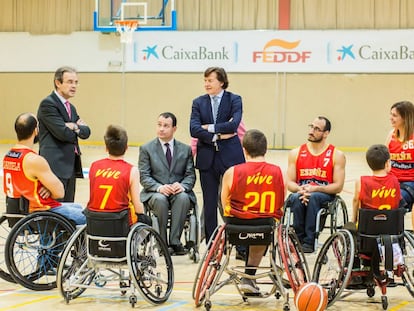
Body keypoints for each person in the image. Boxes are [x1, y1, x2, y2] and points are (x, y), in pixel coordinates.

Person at [221, 129, 285, 294]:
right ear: (265, 149)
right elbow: (280, 202)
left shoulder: (232, 172)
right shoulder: (277, 172)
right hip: (264, 226)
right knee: (264, 226)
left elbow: (224, 203)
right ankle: (249, 277)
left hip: (236, 225)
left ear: (244, 150)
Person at [190, 67, 245, 244]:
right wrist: (218, 134)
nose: (206, 84)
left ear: (221, 82)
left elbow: (234, 124)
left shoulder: (234, 99)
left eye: (210, 80)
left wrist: (209, 127)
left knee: (235, 200)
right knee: (209, 201)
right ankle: (212, 243)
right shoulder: (198, 102)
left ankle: (238, 240)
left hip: (231, 156)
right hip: (207, 157)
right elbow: (194, 129)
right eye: (205, 80)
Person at [2, 113, 85, 225]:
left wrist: (45, 187)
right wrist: (50, 189)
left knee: (77, 206)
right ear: (36, 131)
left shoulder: (8, 156)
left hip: (17, 211)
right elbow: (60, 193)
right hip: (41, 211)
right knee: (88, 218)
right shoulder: (33, 159)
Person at [139, 112, 196, 255]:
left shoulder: (185, 149)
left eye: (166, 126)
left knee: (183, 198)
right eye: (159, 125)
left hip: (177, 192)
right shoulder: (146, 149)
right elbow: (144, 176)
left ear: (174, 129)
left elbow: (190, 175)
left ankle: (175, 242)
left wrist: (182, 186)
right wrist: (159, 187)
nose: (161, 129)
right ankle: (162, 242)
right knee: (160, 200)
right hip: (155, 193)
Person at [286, 116, 346, 253]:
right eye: (311, 127)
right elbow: (289, 183)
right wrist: (299, 189)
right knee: (295, 198)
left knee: (313, 197)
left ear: (326, 133)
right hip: (301, 192)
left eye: (317, 129)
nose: (311, 131)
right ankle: (298, 238)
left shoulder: (336, 155)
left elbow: (338, 186)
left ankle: (309, 241)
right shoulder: (295, 153)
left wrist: (316, 188)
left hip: (323, 193)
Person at [37, 66, 91, 202]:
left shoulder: (71, 107)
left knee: (68, 210)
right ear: (58, 83)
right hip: (54, 167)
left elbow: (86, 132)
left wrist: (73, 127)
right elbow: (64, 134)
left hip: (70, 167)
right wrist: (75, 127)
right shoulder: (48, 104)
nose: (74, 86)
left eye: (76, 82)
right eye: (70, 82)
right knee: (55, 212)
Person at [87, 124, 151, 227]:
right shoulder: (131, 170)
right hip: (119, 221)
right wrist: (143, 215)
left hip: (94, 219)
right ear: (126, 148)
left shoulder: (94, 166)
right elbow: (137, 204)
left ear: (106, 148)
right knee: (146, 221)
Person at [352, 144, 401, 223]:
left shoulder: (361, 181)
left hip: (368, 228)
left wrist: (354, 220)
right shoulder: (394, 180)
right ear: (387, 163)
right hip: (391, 227)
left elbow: (355, 202)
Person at [386, 100, 414, 228]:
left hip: (410, 182)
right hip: (393, 180)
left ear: (405, 117)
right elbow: (385, 161)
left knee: (395, 199)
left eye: (395, 115)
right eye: (391, 114)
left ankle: (395, 234)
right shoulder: (391, 135)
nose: (391, 118)